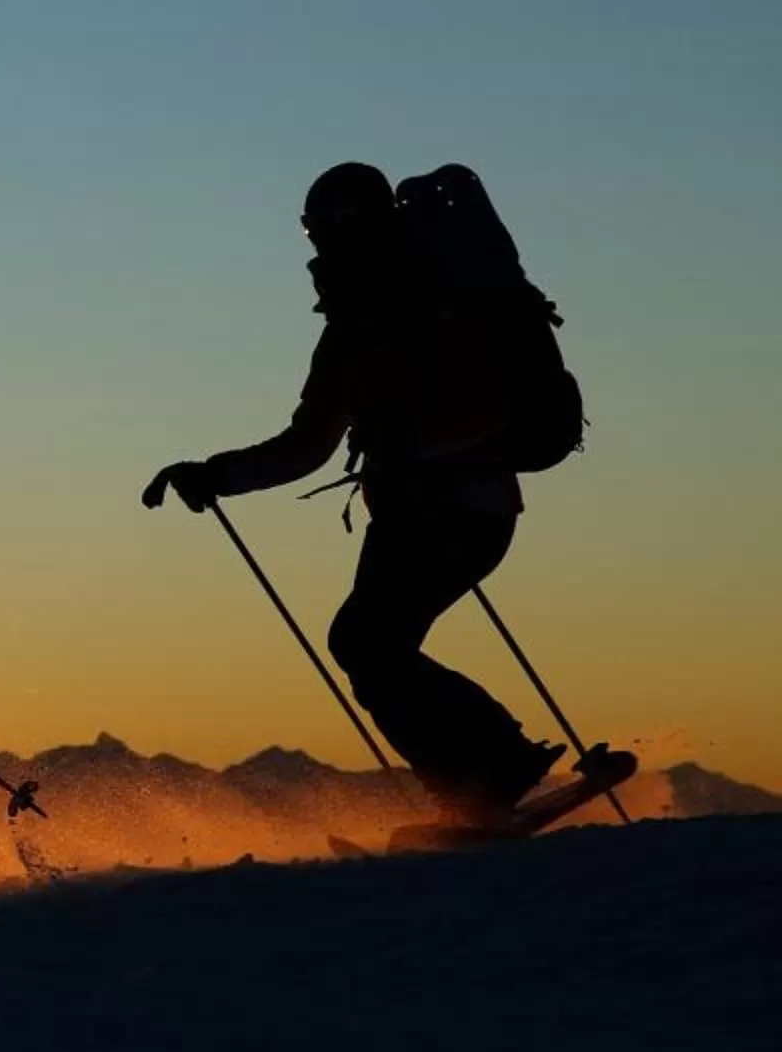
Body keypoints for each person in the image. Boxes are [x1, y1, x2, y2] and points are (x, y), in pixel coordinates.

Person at [144, 161, 598, 826]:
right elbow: (309, 442)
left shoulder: (435, 305)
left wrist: (418, 451)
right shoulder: (349, 333)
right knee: (366, 643)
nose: (319, 242)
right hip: (418, 512)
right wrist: (214, 475)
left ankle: (492, 769)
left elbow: (487, 409)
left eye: (326, 226)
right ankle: (476, 785)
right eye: (311, 229)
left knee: (366, 642)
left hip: (461, 509)